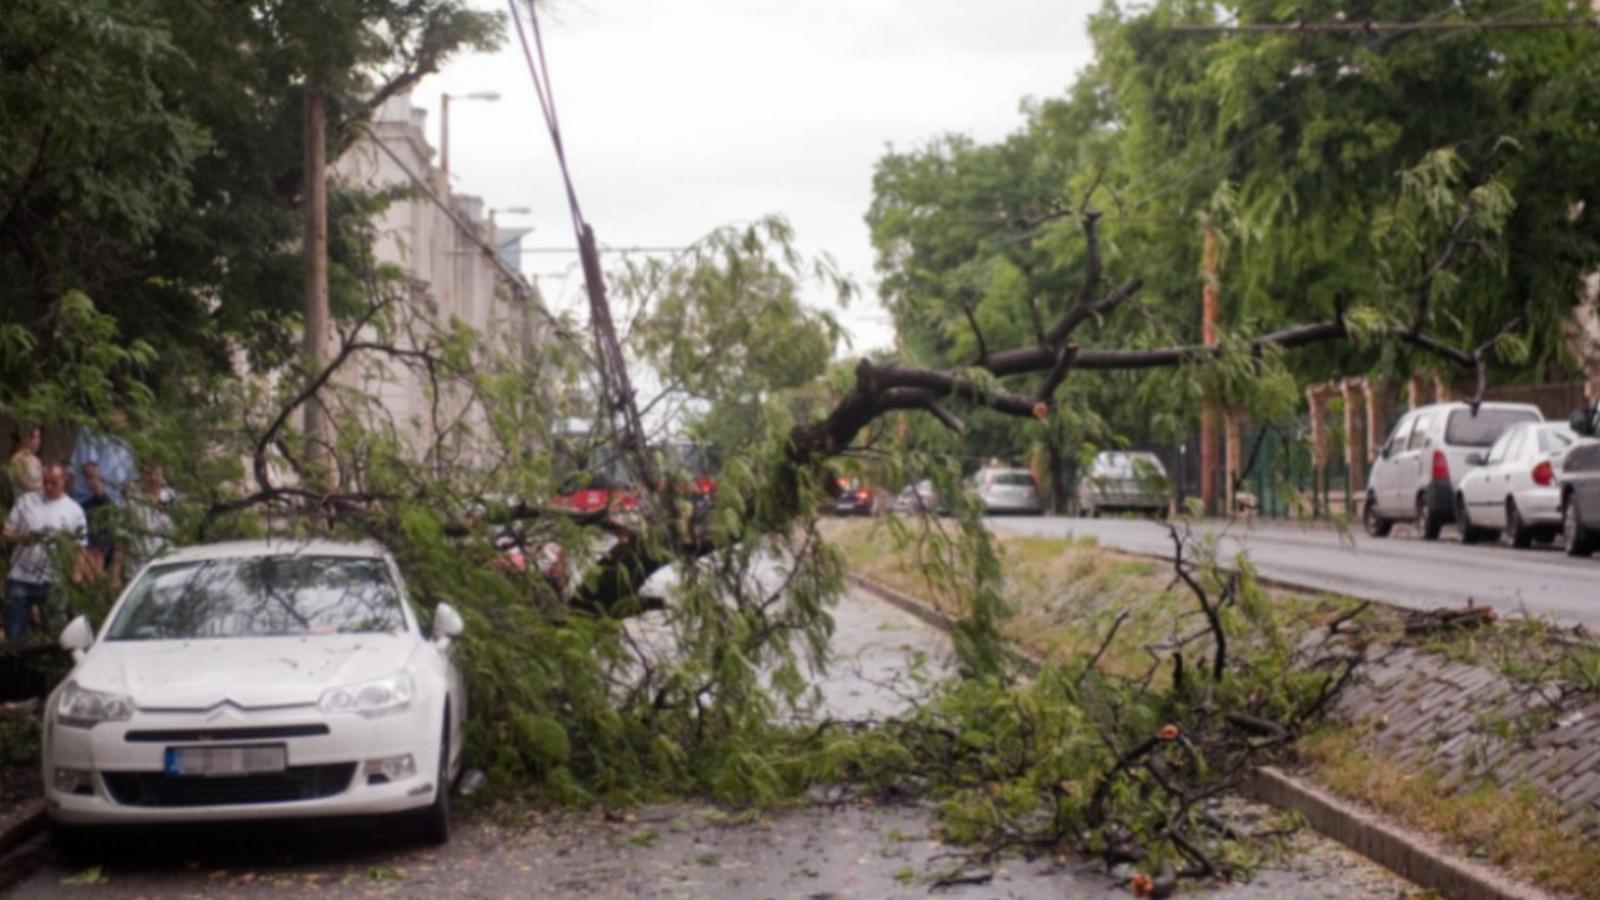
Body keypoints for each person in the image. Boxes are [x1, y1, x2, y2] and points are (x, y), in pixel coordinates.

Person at [3, 464, 87, 639]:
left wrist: (76, 572)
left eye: (53, 483)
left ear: (64, 481)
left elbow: (80, 546)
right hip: (21, 576)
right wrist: (19, 537)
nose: (48, 487)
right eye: (45, 482)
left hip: (54, 578)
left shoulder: (74, 511)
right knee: (15, 629)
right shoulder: (26, 501)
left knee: (55, 629)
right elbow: (7, 531)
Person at [68, 411, 135, 507]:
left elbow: (130, 481)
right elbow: (90, 470)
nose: (124, 418)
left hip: (117, 504)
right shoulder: (91, 430)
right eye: (120, 413)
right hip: (91, 500)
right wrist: (104, 499)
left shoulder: (126, 443)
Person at [124, 464, 174, 574]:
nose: (153, 478)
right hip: (138, 569)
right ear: (142, 477)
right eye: (148, 474)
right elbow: (122, 538)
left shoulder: (170, 500)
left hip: (166, 566)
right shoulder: (132, 502)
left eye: (156, 473)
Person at [78, 461, 119, 586]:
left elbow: (113, 516)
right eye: (88, 478)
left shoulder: (110, 504)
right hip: (86, 555)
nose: (92, 482)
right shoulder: (82, 506)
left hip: (104, 554)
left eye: (95, 477)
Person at [7, 424, 42, 500]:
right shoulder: (17, 459)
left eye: (39, 437)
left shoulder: (37, 461)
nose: (38, 441)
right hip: (22, 502)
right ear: (25, 438)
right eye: (36, 437)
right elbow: (27, 485)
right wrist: (45, 485)